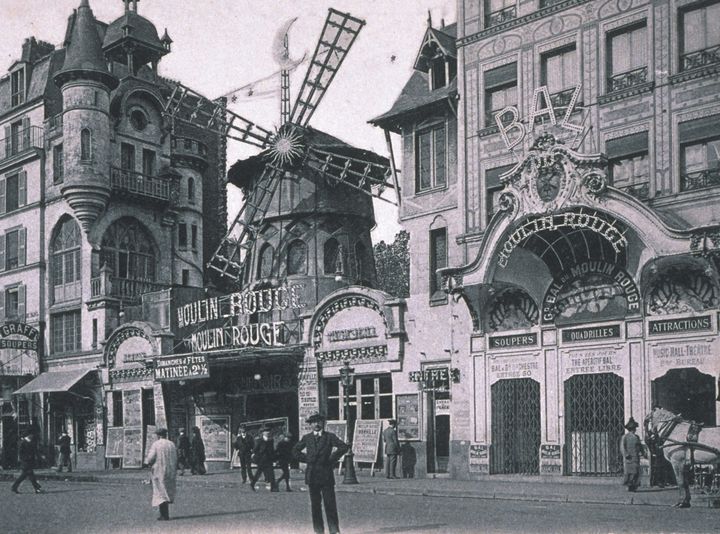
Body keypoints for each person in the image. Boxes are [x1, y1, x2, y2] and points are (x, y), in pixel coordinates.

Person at [292, 412, 349, 534]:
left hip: (326, 474)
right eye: (313, 422)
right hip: (312, 476)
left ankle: (334, 530)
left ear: (323, 423)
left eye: (319, 422)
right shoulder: (307, 438)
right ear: (310, 425)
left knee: (330, 504)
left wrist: (331, 459)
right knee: (315, 505)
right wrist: (307, 458)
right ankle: (318, 531)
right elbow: (295, 451)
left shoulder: (329, 437)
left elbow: (343, 447)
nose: (316, 425)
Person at [144, 428, 178, 521]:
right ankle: (165, 513)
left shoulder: (156, 444)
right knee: (167, 489)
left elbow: (150, 458)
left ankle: (164, 514)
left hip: (159, 470)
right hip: (170, 470)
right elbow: (176, 457)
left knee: (160, 491)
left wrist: (147, 462)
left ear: (158, 435)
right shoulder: (171, 444)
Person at [643, 405, 676, 488]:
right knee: (659, 467)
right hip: (657, 450)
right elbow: (649, 440)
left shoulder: (658, 427)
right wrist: (653, 450)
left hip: (660, 450)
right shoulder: (653, 429)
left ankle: (664, 481)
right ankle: (659, 482)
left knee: (663, 466)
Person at [11, 429, 43, 494]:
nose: (32, 436)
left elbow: (35, 451)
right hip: (25, 461)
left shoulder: (31, 442)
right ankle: (37, 488)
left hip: (30, 461)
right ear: (28, 435)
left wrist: (39, 457)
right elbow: (20, 453)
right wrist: (26, 457)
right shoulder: (23, 442)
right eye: (31, 434)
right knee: (29, 475)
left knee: (26, 475)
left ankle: (14, 487)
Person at [620, 417, 646, 492]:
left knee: (636, 472)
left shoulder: (636, 437)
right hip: (629, 458)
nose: (633, 430)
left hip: (636, 457)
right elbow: (622, 447)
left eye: (634, 428)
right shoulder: (625, 437)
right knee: (630, 472)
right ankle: (629, 486)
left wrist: (643, 453)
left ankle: (634, 486)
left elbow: (640, 446)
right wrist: (626, 454)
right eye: (632, 428)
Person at [250, 427, 277, 492]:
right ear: (263, 433)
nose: (267, 432)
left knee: (271, 474)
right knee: (258, 473)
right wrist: (257, 455)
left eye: (268, 431)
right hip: (261, 460)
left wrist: (274, 459)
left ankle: (273, 488)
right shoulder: (259, 440)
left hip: (269, 460)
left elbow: (272, 451)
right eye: (266, 431)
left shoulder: (271, 441)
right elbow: (255, 449)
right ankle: (252, 484)